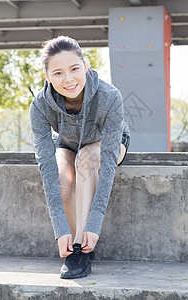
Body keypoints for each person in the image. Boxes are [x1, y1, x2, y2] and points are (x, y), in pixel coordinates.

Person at [30, 35, 130, 279]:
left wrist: (94, 224)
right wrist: (59, 228)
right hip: (67, 143)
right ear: (48, 77)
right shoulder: (40, 106)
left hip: (107, 144)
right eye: (58, 73)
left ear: (85, 66)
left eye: (74, 69)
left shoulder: (109, 96)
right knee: (62, 174)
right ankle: (74, 240)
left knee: (86, 159)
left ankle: (79, 250)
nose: (68, 79)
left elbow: (107, 163)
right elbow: (46, 166)